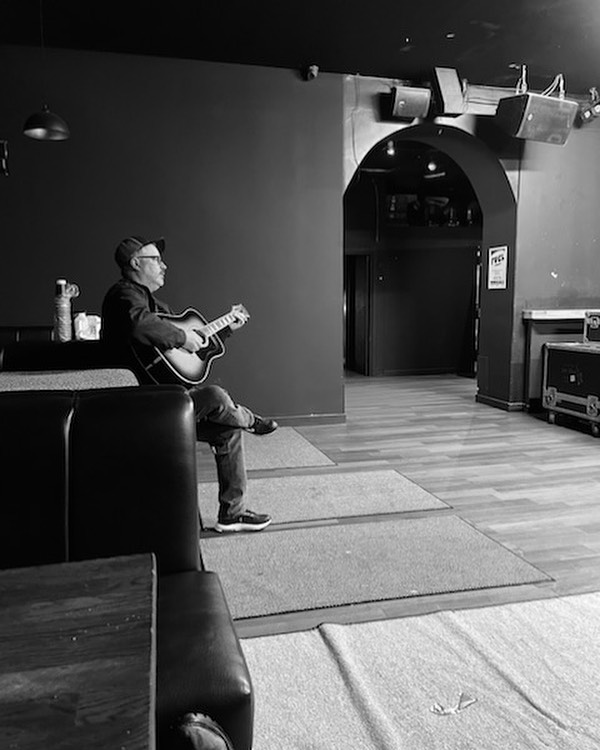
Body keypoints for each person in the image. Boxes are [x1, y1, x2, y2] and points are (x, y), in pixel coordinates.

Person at [101, 235, 276, 533]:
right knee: (217, 395)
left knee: (227, 430)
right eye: (156, 260)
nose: (163, 266)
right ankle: (250, 419)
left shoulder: (157, 305)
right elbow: (140, 325)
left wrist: (224, 333)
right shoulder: (123, 297)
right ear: (134, 263)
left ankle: (232, 514)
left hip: (167, 398)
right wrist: (184, 337)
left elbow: (188, 356)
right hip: (141, 406)